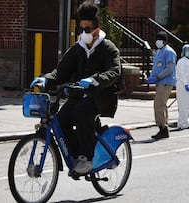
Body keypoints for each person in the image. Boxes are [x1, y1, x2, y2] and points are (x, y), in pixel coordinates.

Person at [30, 0, 121, 175]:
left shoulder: (108, 48)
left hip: (101, 97)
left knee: (81, 113)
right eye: (81, 29)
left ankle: (87, 158)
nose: (83, 33)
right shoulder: (77, 49)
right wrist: (45, 80)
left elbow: (114, 71)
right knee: (61, 119)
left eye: (87, 29)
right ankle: (77, 152)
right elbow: (61, 71)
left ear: (96, 30)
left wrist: (95, 80)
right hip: (79, 96)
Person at [147, 31, 177, 140]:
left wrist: (158, 77)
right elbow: (157, 66)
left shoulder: (169, 52)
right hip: (160, 82)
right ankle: (164, 128)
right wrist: (151, 76)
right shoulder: (159, 51)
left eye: (160, 40)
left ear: (164, 41)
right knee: (161, 105)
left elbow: (169, 68)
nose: (157, 42)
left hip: (165, 81)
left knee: (159, 105)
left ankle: (163, 128)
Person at [175, 44, 189, 130]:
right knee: (182, 105)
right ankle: (181, 123)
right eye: (188, 50)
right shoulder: (181, 61)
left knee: (188, 105)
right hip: (183, 86)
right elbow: (182, 74)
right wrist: (185, 84)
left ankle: (186, 123)